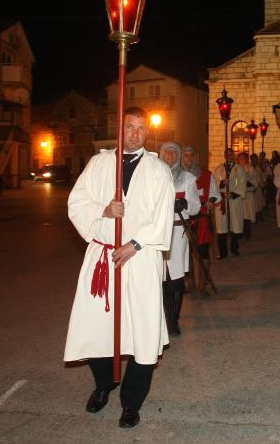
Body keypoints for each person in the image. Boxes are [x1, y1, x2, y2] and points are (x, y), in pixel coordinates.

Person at [64, 106, 175, 429]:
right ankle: (104, 383)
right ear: (120, 129)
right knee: (95, 326)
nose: (136, 133)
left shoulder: (157, 170)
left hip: (140, 259)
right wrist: (104, 211)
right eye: (130, 126)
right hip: (103, 258)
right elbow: (76, 203)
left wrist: (135, 244)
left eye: (142, 128)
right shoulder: (99, 164)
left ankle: (131, 402)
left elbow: (162, 215)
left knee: (141, 332)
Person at [159, 142, 201, 336]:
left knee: (175, 277)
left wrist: (185, 203)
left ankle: (173, 320)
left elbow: (195, 207)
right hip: (155, 233)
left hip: (176, 233)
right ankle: (159, 319)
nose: (169, 156)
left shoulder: (187, 178)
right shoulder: (152, 177)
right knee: (157, 277)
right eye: (166, 152)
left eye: (174, 152)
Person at [182, 145, 221, 295]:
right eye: (186, 155)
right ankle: (188, 282)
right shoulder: (177, 177)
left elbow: (214, 193)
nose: (189, 158)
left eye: (191, 155)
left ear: (195, 157)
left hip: (202, 219)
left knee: (203, 250)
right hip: (183, 219)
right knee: (185, 251)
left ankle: (203, 282)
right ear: (182, 157)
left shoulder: (206, 175)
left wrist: (211, 200)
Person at [212, 148, 246, 258]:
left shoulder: (239, 169)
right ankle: (223, 252)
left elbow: (242, 184)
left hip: (234, 200)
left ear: (234, 155)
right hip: (222, 201)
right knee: (222, 227)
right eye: (228, 154)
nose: (230, 156)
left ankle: (234, 248)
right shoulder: (219, 169)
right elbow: (214, 183)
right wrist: (222, 183)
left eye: (232, 154)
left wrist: (232, 194)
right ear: (224, 155)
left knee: (235, 226)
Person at [239, 152, 257, 240]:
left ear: (246, 159)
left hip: (247, 195)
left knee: (247, 216)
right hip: (238, 197)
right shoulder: (236, 168)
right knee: (238, 216)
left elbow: (254, 181)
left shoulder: (251, 169)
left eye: (243, 158)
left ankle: (247, 234)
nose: (242, 160)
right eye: (240, 158)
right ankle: (238, 234)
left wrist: (246, 181)